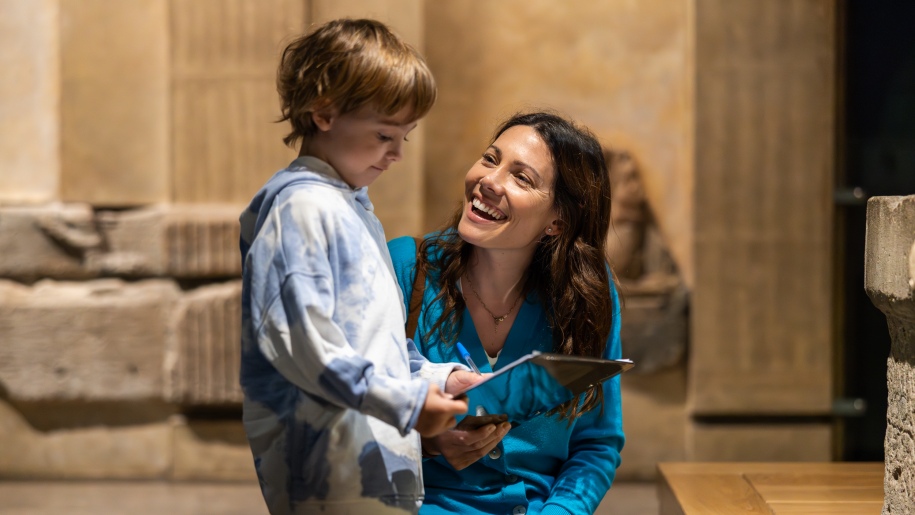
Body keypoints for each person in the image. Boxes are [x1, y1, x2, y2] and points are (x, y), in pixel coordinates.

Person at [238, 19, 473, 515]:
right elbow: (312, 350)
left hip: (375, 463)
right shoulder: (300, 210)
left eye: (406, 136)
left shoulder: (349, 206)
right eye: (385, 134)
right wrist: (408, 405)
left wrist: (439, 381)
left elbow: (374, 343)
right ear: (323, 111)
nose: (398, 154)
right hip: (330, 474)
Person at [389, 111, 625, 514]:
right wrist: (427, 444)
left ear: (557, 221)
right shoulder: (405, 267)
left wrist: (561, 511)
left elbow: (596, 443)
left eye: (522, 177)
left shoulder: (587, 295)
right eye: (490, 159)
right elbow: (349, 412)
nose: (489, 181)